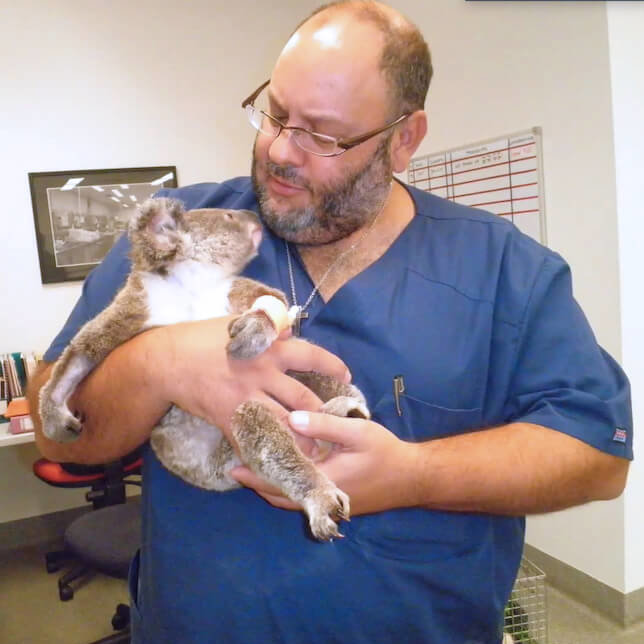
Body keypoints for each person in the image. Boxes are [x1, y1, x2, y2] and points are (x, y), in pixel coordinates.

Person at [28, 2, 632, 643]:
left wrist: (413, 476)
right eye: (275, 113)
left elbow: (597, 455)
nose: (281, 150)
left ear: (404, 138)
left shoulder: (504, 270)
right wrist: (161, 364)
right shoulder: (184, 233)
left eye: (322, 134)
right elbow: (56, 430)